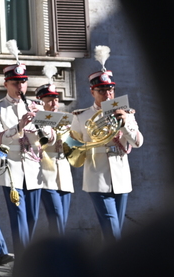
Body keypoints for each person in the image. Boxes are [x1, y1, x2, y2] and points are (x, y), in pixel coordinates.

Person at [71, 54, 143, 241]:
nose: (107, 94)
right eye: (102, 90)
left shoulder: (127, 113)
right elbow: (71, 144)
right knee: (112, 229)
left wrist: (125, 122)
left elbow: (137, 142)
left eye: (110, 89)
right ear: (92, 92)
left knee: (113, 228)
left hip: (120, 177)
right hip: (96, 176)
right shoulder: (81, 116)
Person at [0, 60, 51, 255]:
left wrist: (42, 124)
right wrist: (19, 127)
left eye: (22, 82)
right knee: (18, 217)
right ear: (6, 84)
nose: (19, 86)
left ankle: (28, 257)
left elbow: (50, 136)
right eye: (15, 82)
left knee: (31, 218)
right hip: (11, 170)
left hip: (33, 169)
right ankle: (24, 262)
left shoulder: (37, 106)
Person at [35, 81, 73, 234]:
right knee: (56, 216)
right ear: (40, 101)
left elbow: (72, 146)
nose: (54, 102)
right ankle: (60, 255)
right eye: (49, 99)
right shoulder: (37, 119)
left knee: (61, 219)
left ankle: (55, 254)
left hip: (64, 176)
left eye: (56, 98)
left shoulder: (65, 119)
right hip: (46, 175)